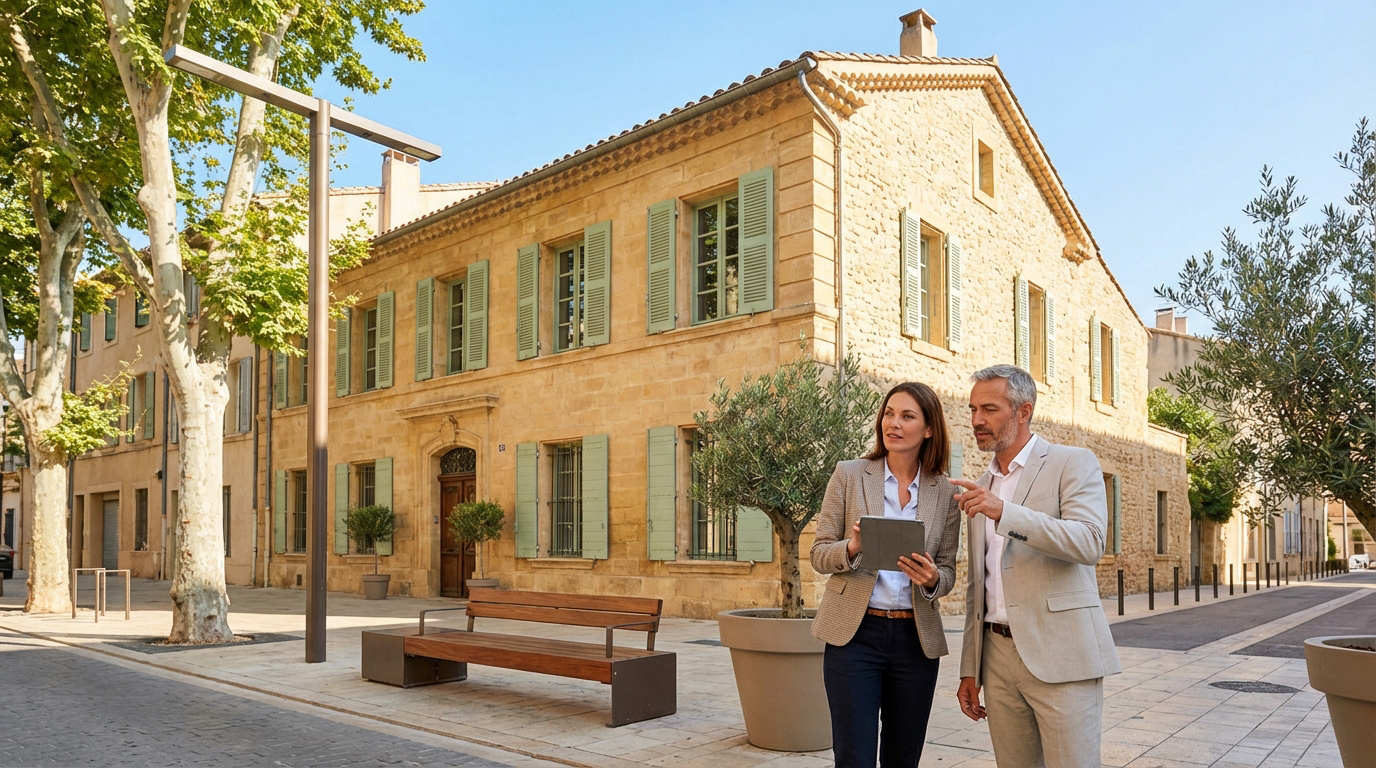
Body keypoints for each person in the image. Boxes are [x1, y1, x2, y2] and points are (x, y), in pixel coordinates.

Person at [952, 365, 1121, 768]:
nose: (977, 420)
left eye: (989, 409)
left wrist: (1006, 513)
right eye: (973, 409)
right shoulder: (981, 483)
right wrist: (969, 670)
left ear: (1023, 411)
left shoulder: (1072, 463)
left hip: (1062, 655)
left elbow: (1089, 541)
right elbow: (981, 585)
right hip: (996, 658)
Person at [810, 382, 963, 768]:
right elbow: (818, 552)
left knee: (903, 757)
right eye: (889, 413)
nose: (893, 423)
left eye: (907, 416)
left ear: (929, 429)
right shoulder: (849, 474)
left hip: (916, 640)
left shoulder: (945, 492)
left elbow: (948, 570)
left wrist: (931, 580)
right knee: (854, 756)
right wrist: (853, 548)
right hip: (855, 637)